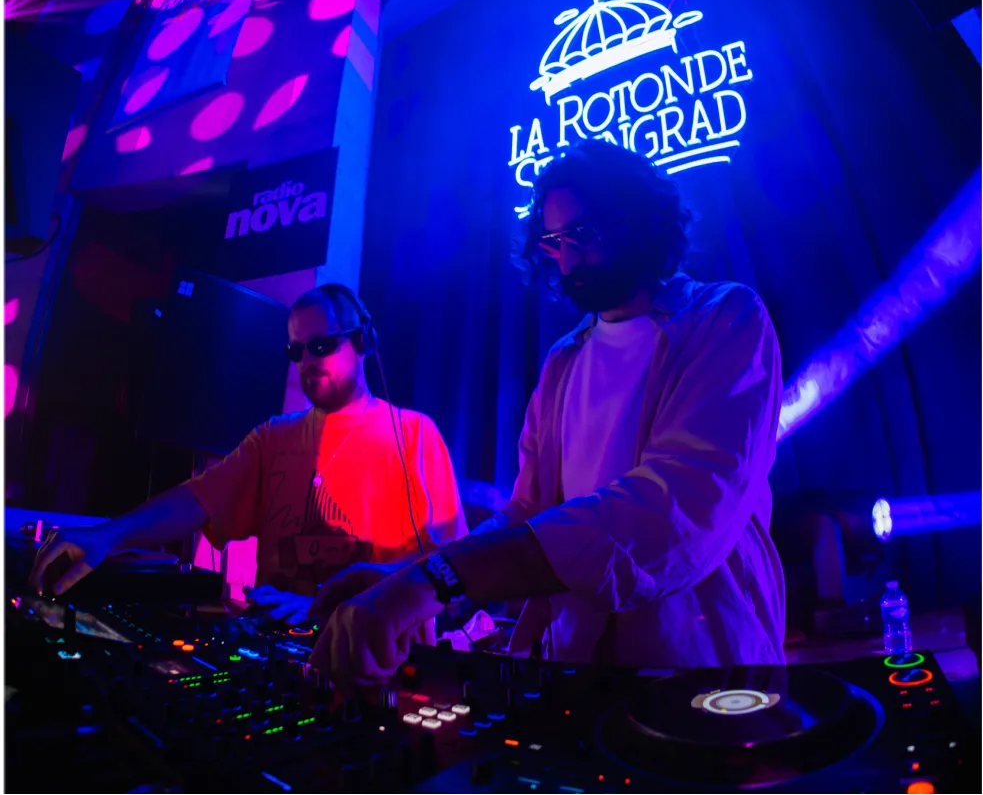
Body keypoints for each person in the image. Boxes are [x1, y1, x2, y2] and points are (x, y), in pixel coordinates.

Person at [308, 141, 786, 687]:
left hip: (704, 670)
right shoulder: (565, 359)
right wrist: (410, 579)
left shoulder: (725, 318)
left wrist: (432, 581)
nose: (568, 260)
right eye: (555, 241)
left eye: (583, 234)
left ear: (638, 221)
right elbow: (528, 514)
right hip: (576, 671)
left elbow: (670, 509)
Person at [30, 284, 468, 625]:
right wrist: (107, 536)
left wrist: (327, 602)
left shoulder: (415, 435)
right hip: (279, 653)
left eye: (320, 346)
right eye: (296, 350)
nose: (306, 361)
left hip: (377, 660)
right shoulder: (273, 437)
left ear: (363, 342)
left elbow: (448, 566)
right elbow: (197, 499)